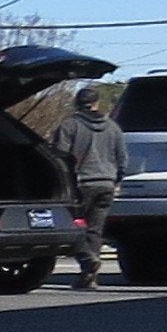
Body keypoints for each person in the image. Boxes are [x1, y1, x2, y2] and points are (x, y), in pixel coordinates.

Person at [53, 80, 125, 287]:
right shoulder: (113, 127)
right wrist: (116, 179)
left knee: (66, 226)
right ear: (97, 103)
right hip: (107, 183)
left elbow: (60, 156)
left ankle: (87, 259)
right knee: (95, 230)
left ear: (76, 103)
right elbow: (122, 158)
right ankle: (89, 276)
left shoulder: (69, 126)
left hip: (80, 183)